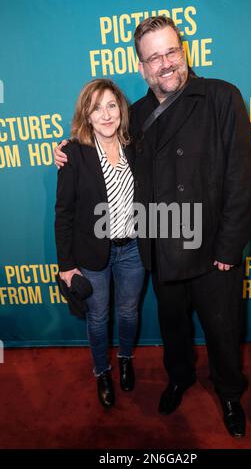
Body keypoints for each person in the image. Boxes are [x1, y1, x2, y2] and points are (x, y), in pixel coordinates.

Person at [54, 17, 251, 437]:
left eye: (170, 52)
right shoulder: (138, 115)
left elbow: (244, 176)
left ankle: (229, 394)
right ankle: (180, 378)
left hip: (213, 251)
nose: (164, 64)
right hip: (163, 249)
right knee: (173, 329)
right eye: (153, 58)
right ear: (143, 67)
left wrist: (228, 248)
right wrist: (68, 150)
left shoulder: (222, 96)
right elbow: (101, 143)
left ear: (184, 51)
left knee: (223, 330)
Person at [55, 78, 145, 410]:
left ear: (121, 110)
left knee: (128, 312)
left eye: (111, 105)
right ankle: (102, 372)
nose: (105, 115)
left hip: (133, 249)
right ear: (87, 115)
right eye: (96, 108)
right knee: (97, 318)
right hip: (91, 254)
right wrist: (65, 264)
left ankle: (124, 358)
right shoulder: (73, 153)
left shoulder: (136, 146)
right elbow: (63, 213)